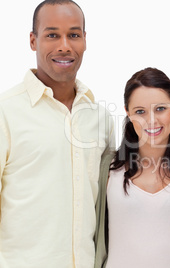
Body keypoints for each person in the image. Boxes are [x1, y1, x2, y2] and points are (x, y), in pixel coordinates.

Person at [0, 1, 114, 267]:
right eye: (52, 35)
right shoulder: (6, 112)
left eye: (74, 35)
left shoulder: (100, 118)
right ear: (33, 40)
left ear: (85, 40)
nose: (64, 45)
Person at [94, 67, 170, 268]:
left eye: (160, 108)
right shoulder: (109, 167)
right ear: (128, 113)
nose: (151, 120)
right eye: (140, 111)